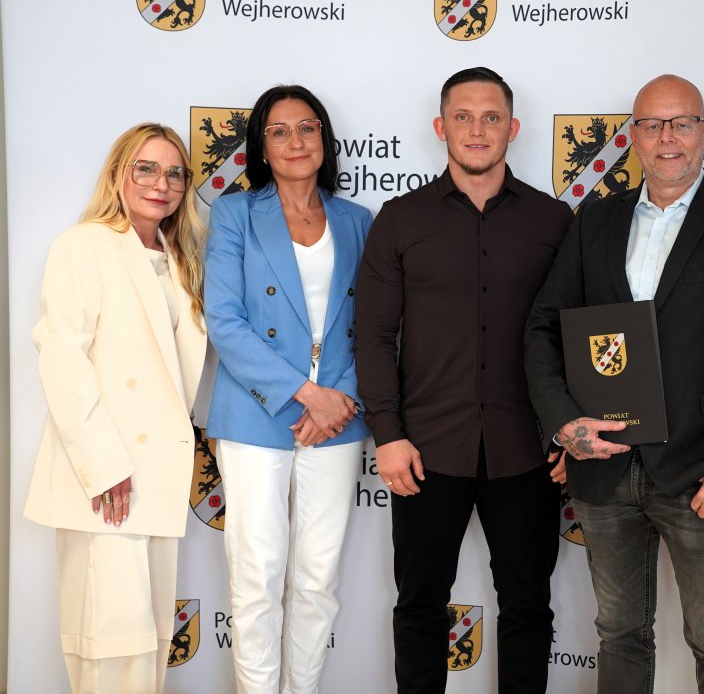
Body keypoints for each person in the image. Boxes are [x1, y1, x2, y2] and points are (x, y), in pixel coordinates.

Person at [524, 74, 704, 693]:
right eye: (651, 125)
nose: (666, 137)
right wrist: (565, 426)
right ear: (634, 137)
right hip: (603, 470)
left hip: (702, 472)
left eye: (681, 123)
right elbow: (544, 329)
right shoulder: (595, 219)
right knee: (618, 635)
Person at [355, 66, 572, 693]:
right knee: (420, 605)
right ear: (440, 127)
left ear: (513, 128)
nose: (477, 129)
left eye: (491, 117)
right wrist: (388, 434)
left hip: (529, 449)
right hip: (423, 450)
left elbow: (578, 334)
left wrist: (570, 431)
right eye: (463, 117)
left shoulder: (554, 220)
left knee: (528, 606)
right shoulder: (400, 219)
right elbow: (372, 334)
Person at [24, 123, 207, 693]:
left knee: (147, 646)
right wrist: (105, 465)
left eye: (175, 173)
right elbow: (62, 358)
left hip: (157, 478)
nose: (161, 183)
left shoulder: (178, 259)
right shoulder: (85, 244)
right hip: (107, 480)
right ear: (116, 175)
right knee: (109, 645)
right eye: (145, 168)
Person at [205, 84, 373, 694]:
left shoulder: (358, 220)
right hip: (258, 413)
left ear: (324, 138)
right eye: (279, 131)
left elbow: (377, 323)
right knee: (257, 577)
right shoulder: (234, 214)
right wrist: (308, 394)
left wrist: (339, 399)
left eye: (307, 127)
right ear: (261, 146)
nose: (296, 141)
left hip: (338, 418)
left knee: (317, 580)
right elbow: (225, 320)